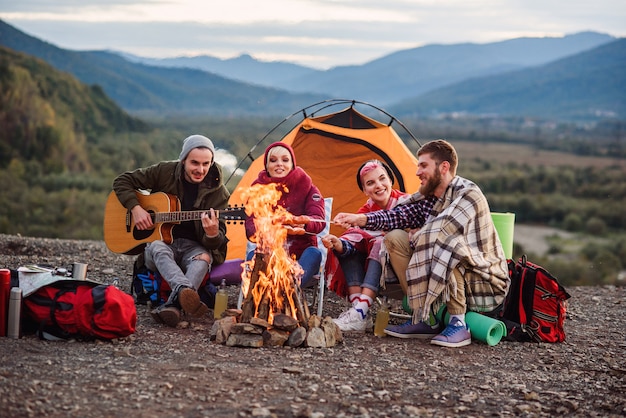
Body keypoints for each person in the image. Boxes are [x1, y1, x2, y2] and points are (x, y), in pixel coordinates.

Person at [333, 139, 509, 347]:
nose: (417, 172)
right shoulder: (429, 197)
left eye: (423, 165)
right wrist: (360, 220)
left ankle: (459, 324)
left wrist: (417, 235)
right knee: (394, 238)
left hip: (481, 277)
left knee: (451, 244)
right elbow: (398, 216)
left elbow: (442, 230)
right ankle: (425, 317)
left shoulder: (468, 194)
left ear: (444, 167)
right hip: (443, 269)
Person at [113, 134, 230, 327]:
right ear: (183, 160)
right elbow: (122, 181)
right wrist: (136, 208)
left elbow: (217, 242)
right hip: (161, 246)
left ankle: (174, 305)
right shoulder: (164, 172)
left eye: (205, 164)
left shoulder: (218, 193)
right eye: (194, 163)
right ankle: (183, 296)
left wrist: (211, 233)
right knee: (157, 247)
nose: (200, 169)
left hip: (193, 248)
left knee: (204, 259)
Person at [321, 160, 407, 332]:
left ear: (391, 180)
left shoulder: (406, 203)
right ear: (364, 191)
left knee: (379, 242)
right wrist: (338, 244)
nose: (378, 185)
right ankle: (359, 313)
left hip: (404, 268)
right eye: (370, 183)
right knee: (347, 244)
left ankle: (360, 310)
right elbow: (353, 241)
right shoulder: (364, 212)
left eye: (382, 179)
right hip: (375, 269)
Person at [244, 142, 325, 287]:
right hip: (269, 253)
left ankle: (286, 288)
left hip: (301, 254)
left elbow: (319, 222)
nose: (279, 164)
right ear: (266, 165)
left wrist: (302, 221)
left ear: (293, 164)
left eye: (285, 160)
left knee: (315, 254)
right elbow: (250, 229)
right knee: (252, 257)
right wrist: (269, 226)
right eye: (273, 160)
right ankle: (276, 295)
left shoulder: (308, 187)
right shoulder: (257, 189)